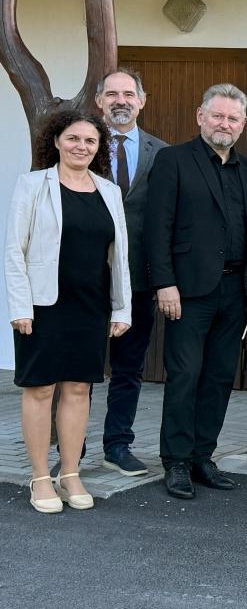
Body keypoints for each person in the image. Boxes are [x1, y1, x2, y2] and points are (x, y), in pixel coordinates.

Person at [145, 83, 247, 500]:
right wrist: (164, 283)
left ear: (243, 124)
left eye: (233, 118)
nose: (225, 124)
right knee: (184, 375)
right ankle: (176, 461)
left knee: (218, 377)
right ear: (200, 116)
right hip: (187, 292)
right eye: (217, 115)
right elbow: (156, 228)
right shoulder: (173, 161)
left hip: (237, 292)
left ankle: (202, 456)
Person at [5, 111, 131, 513]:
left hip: (91, 304)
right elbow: (14, 251)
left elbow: (120, 256)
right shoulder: (32, 185)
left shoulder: (109, 191)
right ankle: (41, 477)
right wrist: (20, 307)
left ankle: (70, 473)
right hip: (43, 306)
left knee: (79, 389)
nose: (82, 147)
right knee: (40, 388)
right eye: (73, 139)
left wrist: (121, 308)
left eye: (90, 141)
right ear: (56, 141)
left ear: (99, 149)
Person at [95, 68, 167, 477]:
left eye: (128, 93)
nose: (120, 100)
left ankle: (117, 445)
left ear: (142, 100)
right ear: (99, 101)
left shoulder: (163, 152)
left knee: (128, 368)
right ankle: (69, 448)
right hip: (86, 278)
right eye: (111, 94)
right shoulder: (82, 146)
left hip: (138, 279)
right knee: (80, 370)